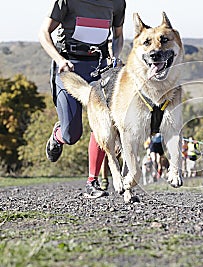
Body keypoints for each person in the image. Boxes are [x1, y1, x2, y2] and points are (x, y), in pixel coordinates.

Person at [39, 0, 126, 198]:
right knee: (72, 135)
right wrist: (60, 60)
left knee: (103, 125)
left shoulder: (117, 3)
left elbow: (118, 35)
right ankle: (58, 135)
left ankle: (92, 181)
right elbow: (43, 33)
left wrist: (115, 56)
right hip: (69, 67)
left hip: (99, 68)